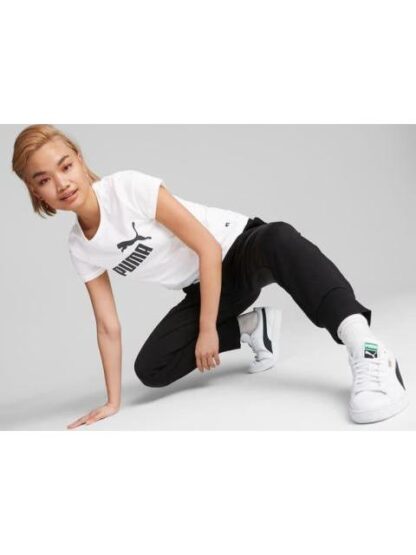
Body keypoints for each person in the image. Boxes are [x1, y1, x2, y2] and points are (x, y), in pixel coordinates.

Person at [12, 124, 409, 429]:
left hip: (237, 248)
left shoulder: (126, 189)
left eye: (65, 166)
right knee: (151, 368)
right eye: (43, 179)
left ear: (79, 159)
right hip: (204, 287)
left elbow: (207, 247)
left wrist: (206, 330)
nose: (61, 183)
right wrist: (112, 402)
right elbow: (107, 325)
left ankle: (367, 348)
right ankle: (253, 328)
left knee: (279, 238)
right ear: (35, 191)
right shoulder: (80, 247)